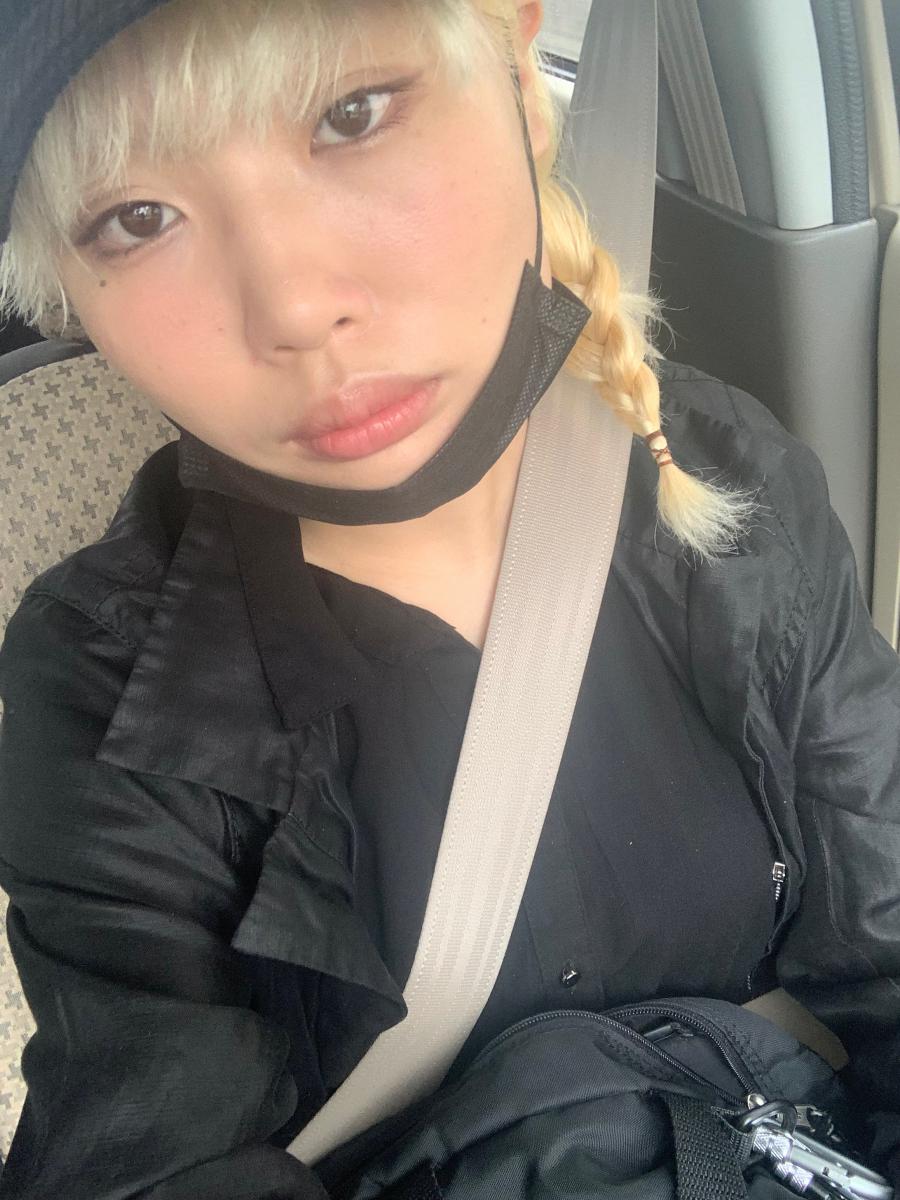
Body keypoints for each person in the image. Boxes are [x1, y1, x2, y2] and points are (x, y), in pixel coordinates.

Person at [0, 1, 898, 1197]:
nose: (294, 308)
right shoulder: (99, 682)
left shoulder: (727, 481)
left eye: (352, 114)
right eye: (137, 218)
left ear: (522, 80)